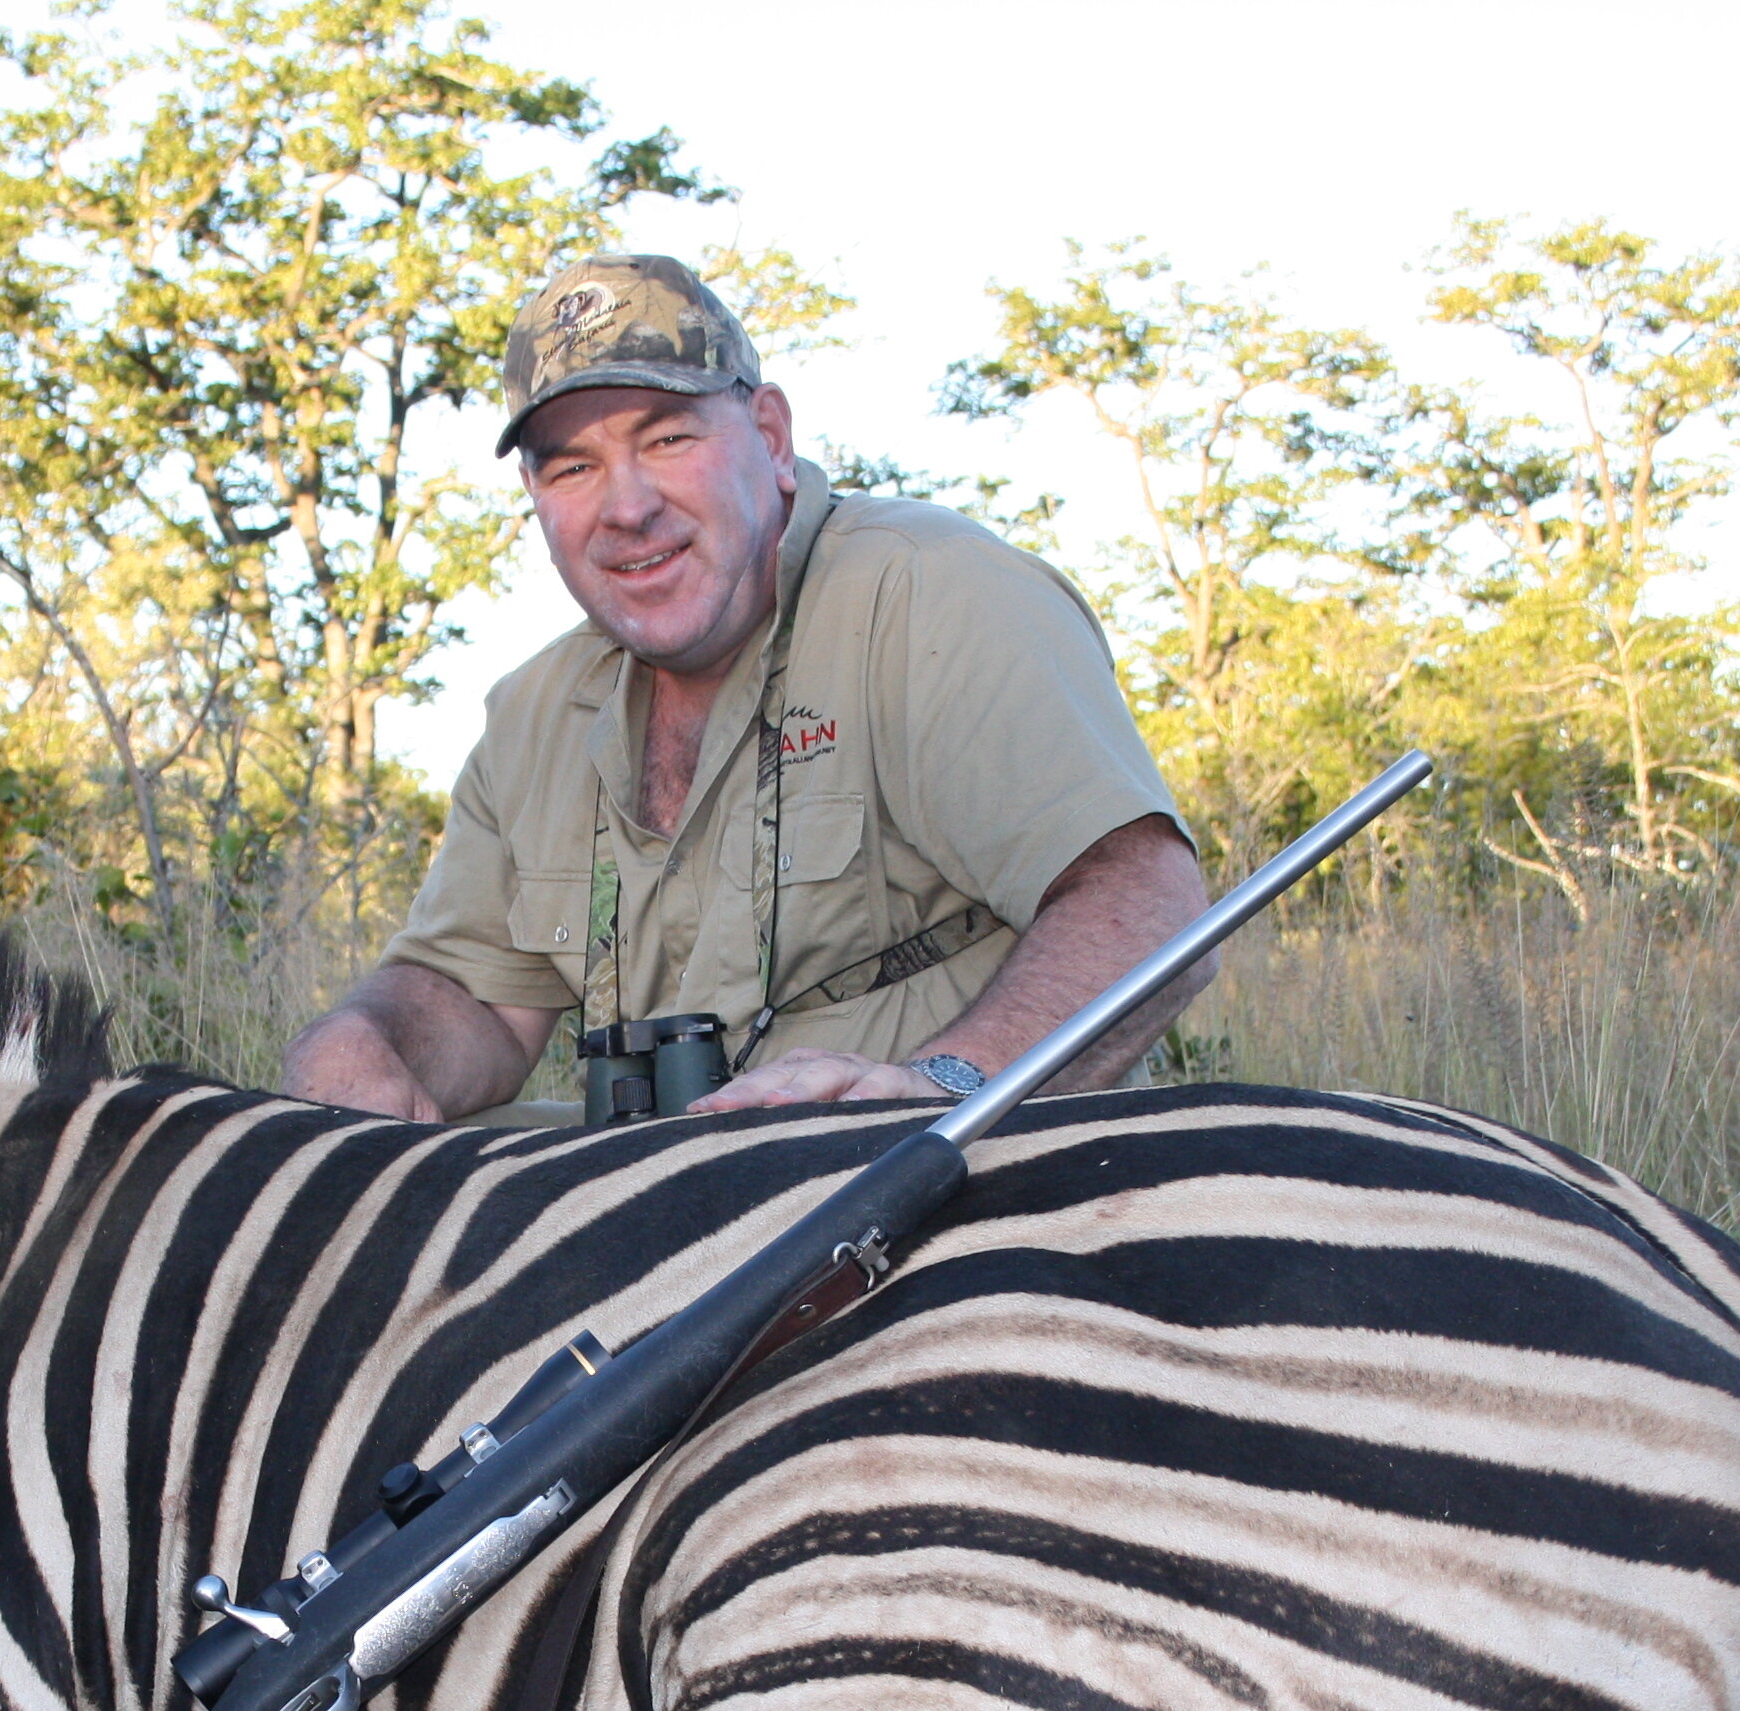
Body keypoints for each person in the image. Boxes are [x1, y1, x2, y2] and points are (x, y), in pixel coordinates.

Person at [277, 252, 1211, 1123]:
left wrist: (943, 1085)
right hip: (669, 1225)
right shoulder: (532, 712)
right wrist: (362, 1040)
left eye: (670, 437)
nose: (628, 505)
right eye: (573, 467)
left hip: (934, 1220)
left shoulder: (931, 592)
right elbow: (474, 996)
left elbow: (1141, 898)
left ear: (769, 435)